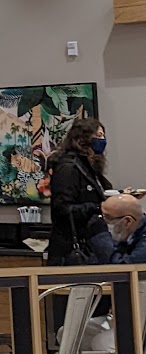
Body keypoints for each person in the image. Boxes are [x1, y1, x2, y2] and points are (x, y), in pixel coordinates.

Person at [46, 112, 109, 264]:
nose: (102, 140)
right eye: (98, 136)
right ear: (82, 139)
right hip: (71, 249)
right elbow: (62, 209)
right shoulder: (68, 168)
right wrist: (98, 207)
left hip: (93, 243)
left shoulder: (90, 167)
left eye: (103, 136)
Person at [90, 191, 146, 264]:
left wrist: (101, 237)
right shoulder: (131, 230)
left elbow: (124, 267)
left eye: (108, 217)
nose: (103, 221)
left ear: (127, 221)